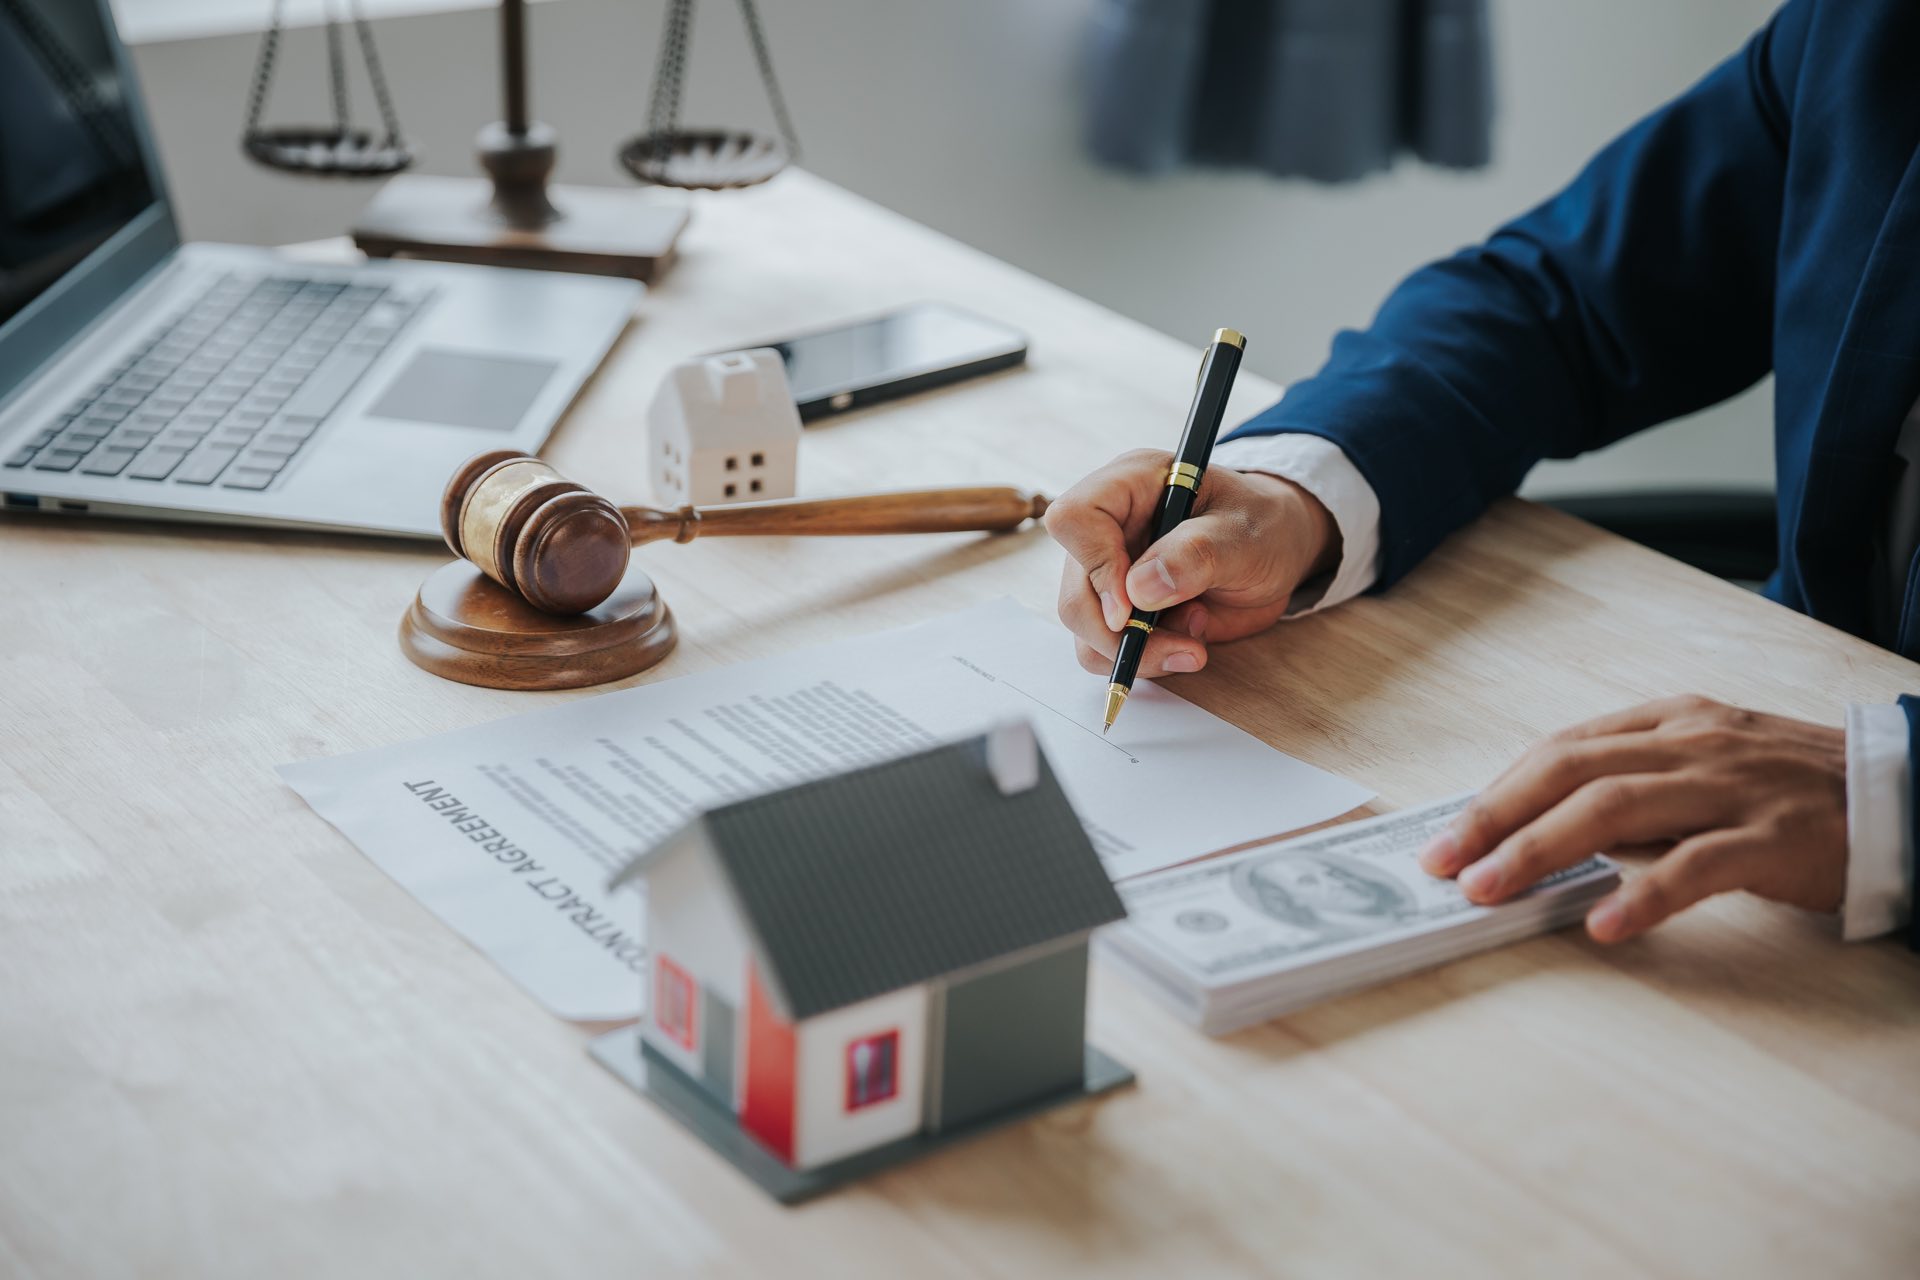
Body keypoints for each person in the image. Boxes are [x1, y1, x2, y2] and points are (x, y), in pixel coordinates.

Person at [1045, 0, 1916, 950]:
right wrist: (1293, 498)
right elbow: (1561, 301)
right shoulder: (1865, 27)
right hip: (1790, 712)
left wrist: (1899, 793)